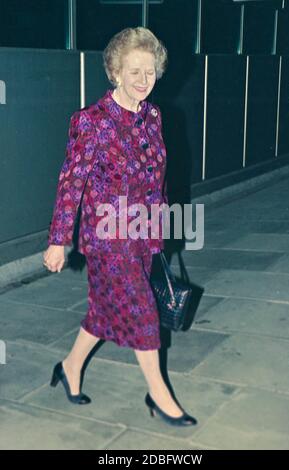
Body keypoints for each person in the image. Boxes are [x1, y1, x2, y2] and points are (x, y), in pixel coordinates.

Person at [43, 26, 197, 427]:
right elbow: (71, 182)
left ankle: (70, 366)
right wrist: (59, 240)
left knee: (103, 313)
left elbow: (156, 176)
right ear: (115, 71)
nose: (143, 81)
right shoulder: (91, 122)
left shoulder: (154, 116)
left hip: (143, 235)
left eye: (150, 71)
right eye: (134, 71)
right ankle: (158, 395)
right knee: (144, 313)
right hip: (108, 240)